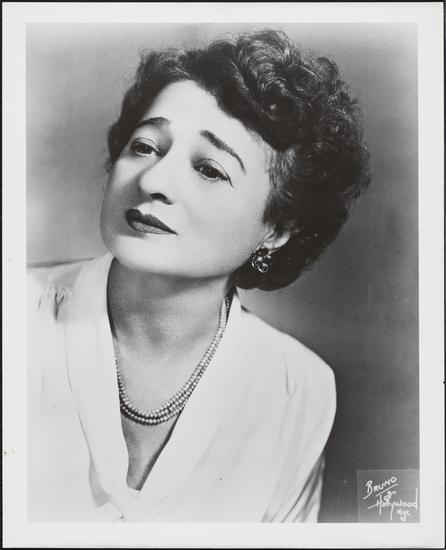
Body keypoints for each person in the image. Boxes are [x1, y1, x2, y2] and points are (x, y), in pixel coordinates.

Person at [27, 29, 370, 522]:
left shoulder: (298, 387)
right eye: (145, 146)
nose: (153, 180)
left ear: (277, 229)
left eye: (209, 169)